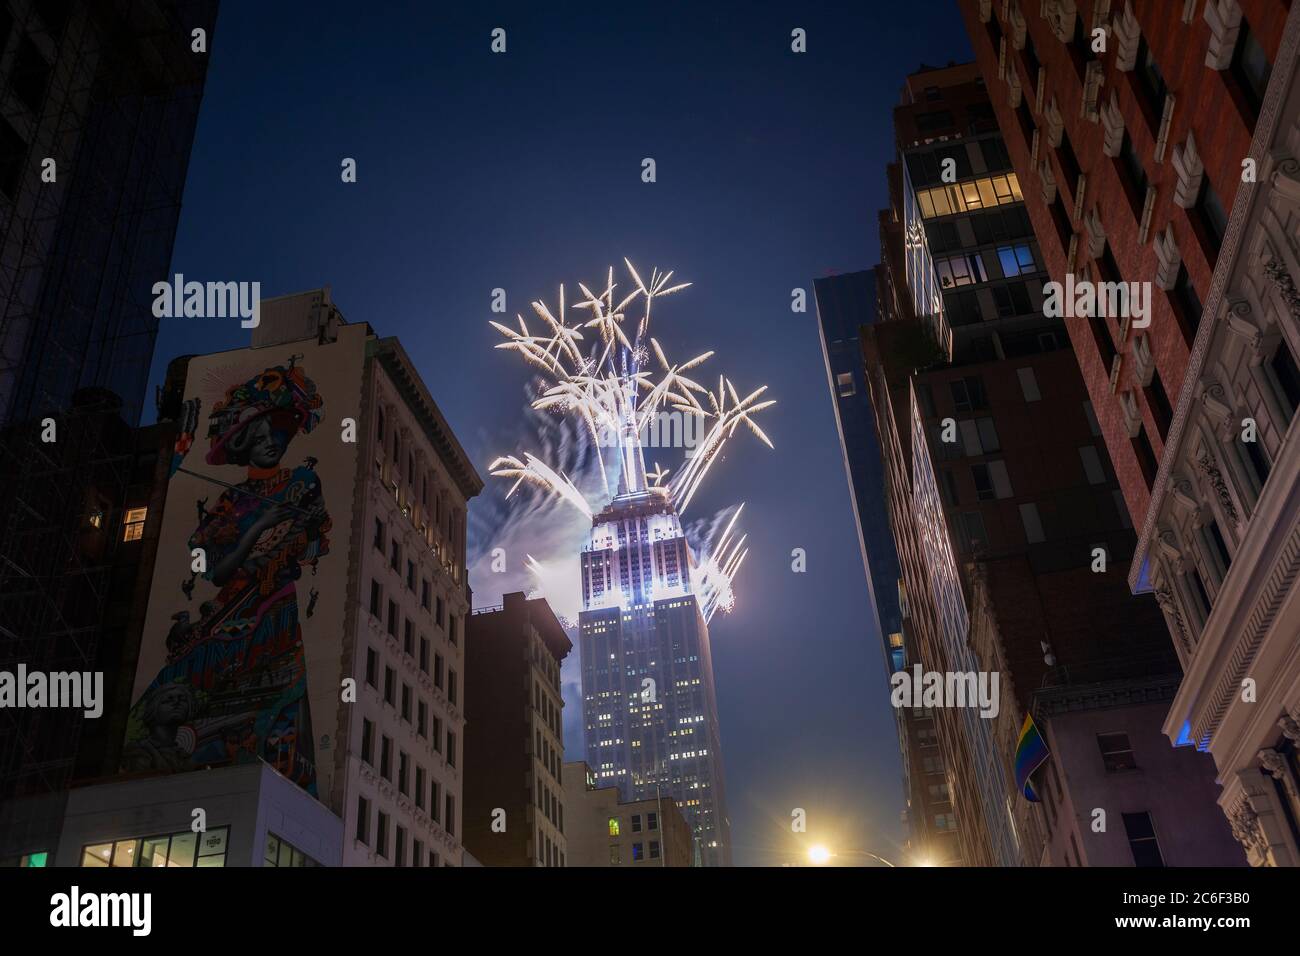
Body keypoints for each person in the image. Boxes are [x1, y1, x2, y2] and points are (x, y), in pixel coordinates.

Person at [122, 360, 329, 795]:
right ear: (241, 444)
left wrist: (284, 535)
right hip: (229, 618)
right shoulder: (227, 504)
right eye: (258, 436)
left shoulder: (302, 481)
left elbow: (312, 540)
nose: (271, 442)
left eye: (276, 432)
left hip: (276, 611)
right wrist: (257, 527)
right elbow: (212, 570)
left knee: (279, 711)